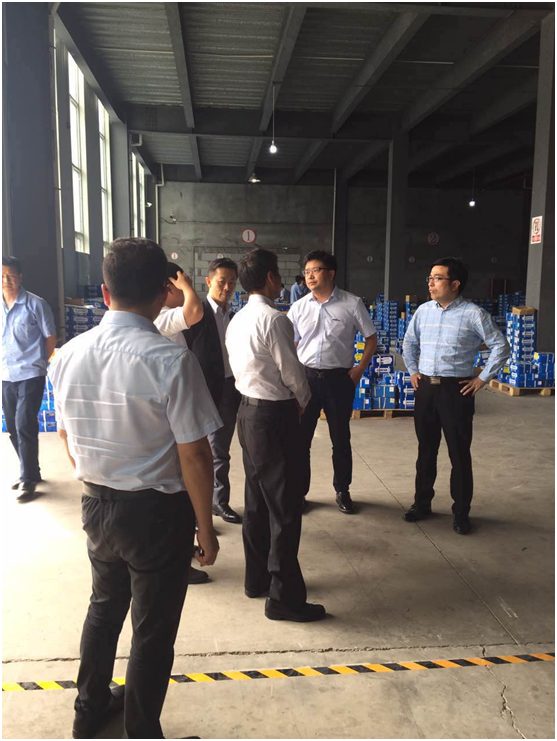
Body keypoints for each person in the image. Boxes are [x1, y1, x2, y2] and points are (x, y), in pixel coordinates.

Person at [49, 238, 221, 740]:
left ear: (105, 293)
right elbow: (195, 455)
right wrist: (205, 528)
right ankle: (142, 731)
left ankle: (89, 712)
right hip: (156, 514)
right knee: (152, 628)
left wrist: (96, 476)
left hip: (96, 505)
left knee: (104, 610)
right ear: (164, 292)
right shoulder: (170, 361)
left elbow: (65, 436)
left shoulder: (67, 355)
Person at [225, 247, 325, 623]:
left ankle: (257, 580)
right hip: (274, 416)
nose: (282, 280)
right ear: (270, 278)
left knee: (256, 501)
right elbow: (293, 374)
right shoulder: (275, 319)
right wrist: (302, 402)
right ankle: (284, 597)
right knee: (284, 507)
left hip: (247, 414)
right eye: (279, 274)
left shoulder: (237, 319)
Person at [402, 257, 510, 535]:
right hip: (426, 389)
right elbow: (409, 342)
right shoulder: (423, 311)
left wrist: (482, 379)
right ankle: (421, 504)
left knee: (459, 453)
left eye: (437, 278)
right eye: (430, 278)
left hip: (456, 391)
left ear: (455, 284)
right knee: (426, 450)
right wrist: (413, 370)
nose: (431, 283)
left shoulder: (474, 314)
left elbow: (501, 346)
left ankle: (461, 512)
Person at [288, 250, 377, 514]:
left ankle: (342, 490)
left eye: (315, 270)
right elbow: (292, 343)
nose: (310, 276)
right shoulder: (299, 307)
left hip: (339, 380)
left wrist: (360, 369)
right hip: (306, 380)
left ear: (331, 273)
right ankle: (299, 493)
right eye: (306, 272)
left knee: (340, 438)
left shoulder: (351, 303)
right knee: (301, 440)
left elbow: (371, 338)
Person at [153, 262, 216, 585]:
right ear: (169, 287)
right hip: (172, 420)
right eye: (178, 285)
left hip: (170, 413)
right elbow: (195, 311)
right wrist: (186, 284)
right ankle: (179, 560)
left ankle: (179, 552)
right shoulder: (163, 317)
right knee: (180, 492)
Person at [181, 258, 243, 525]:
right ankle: (196, 509)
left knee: (221, 449)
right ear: (208, 281)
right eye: (222, 281)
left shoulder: (235, 316)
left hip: (230, 388)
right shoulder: (197, 314)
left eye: (232, 282)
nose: (227, 287)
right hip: (201, 391)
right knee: (196, 451)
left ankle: (219, 501)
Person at [2, 255, 57, 497]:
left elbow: (50, 337)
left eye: (11, 276)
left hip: (30, 373)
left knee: (24, 423)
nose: (6, 280)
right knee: (13, 427)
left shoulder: (36, 304)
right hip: (6, 374)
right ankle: (31, 472)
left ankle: (27, 479)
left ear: (20, 277)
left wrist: (40, 363)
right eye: (2, 276)